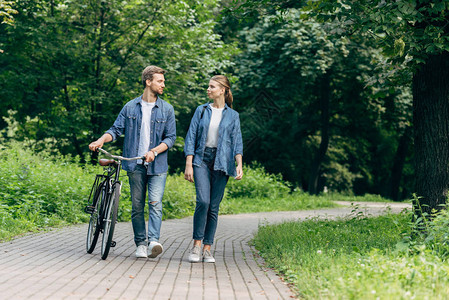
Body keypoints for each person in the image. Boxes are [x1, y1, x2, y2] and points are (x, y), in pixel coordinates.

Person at [89, 65, 176, 259]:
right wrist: (101, 140)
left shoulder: (167, 109)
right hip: (135, 164)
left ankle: (153, 241)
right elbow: (115, 130)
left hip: (158, 165)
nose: (163, 84)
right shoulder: (130, 107)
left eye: (163, 81)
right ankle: (140, 244)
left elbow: (170, 138)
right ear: (148, 82)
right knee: (137, 206)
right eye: (160, 81)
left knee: (155, 203)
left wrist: (154, 151)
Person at [184, 75, 243, 263]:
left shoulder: (233, 116)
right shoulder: (201, 111)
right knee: (203, 201)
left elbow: (237, 141)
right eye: (208, 86)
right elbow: (191, 136)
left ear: (223, 90)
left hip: (223, 161)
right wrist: (189, 163)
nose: (208, 89)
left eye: (212, 86)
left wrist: (239, 163)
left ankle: (208, 249)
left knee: (214, 207)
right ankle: (196, 246)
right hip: (201, 159)